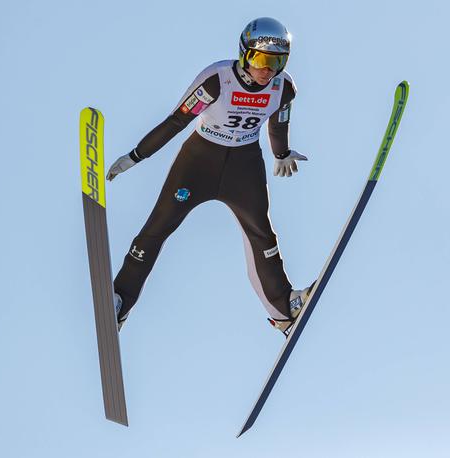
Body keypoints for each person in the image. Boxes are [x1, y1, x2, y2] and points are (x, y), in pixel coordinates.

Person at [107, 17, 312, 334]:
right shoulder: (217, 80)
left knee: (262, 234)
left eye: (276, 62)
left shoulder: (283, 88)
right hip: (200, 162)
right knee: (157, 227)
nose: (266, 71)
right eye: (259, 59)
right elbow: (176, 121)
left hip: (244, 166)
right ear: (244, 54)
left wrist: (281, 152)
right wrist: (136, 156)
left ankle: (285, 309)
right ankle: (119, 300)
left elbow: (279, 123)